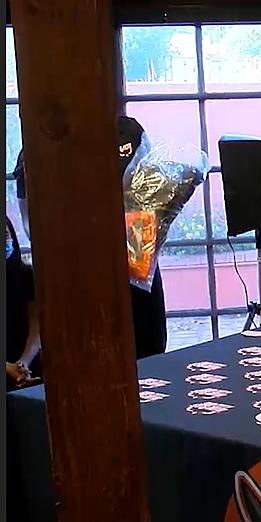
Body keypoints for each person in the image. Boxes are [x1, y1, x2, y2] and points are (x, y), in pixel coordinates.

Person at [12, 115, 169, 359]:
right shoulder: (35, 149)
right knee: (86, 359)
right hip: (76, 278)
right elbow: (33, 226)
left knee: (148, 356)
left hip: (134, 269)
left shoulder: (126, 132)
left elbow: (147, 204)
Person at [6, 216, 41, 388]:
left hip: (27, 365)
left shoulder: (26, 275)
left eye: (6, 234)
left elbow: (36, 326)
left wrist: (23, 362)